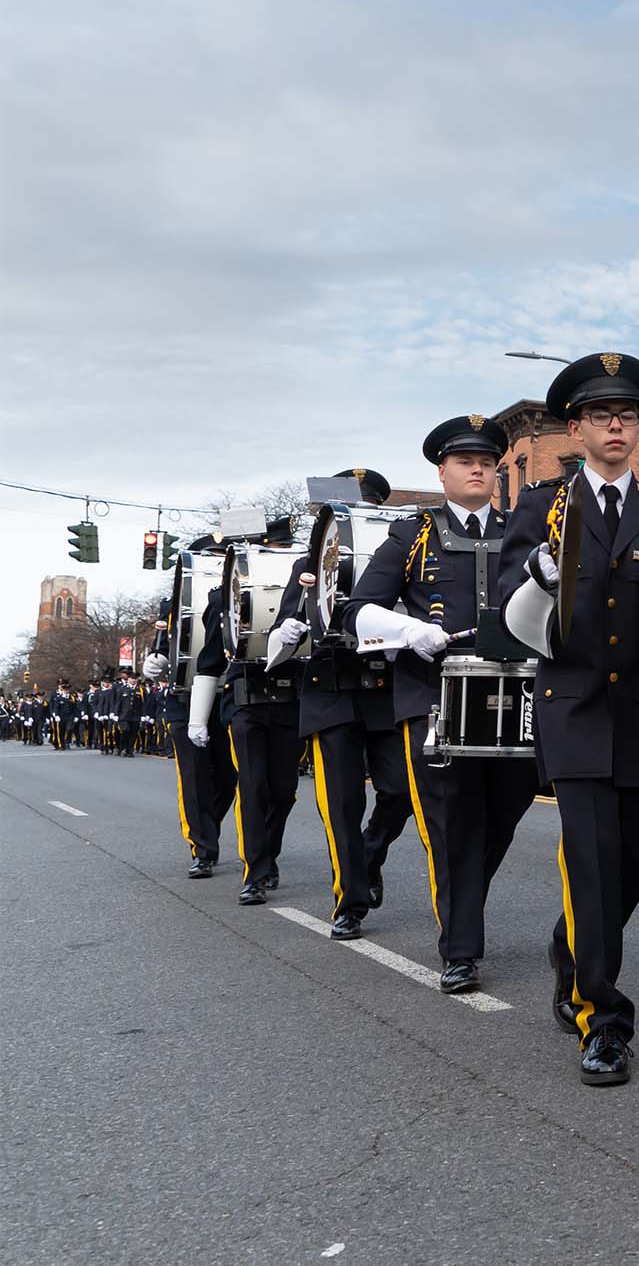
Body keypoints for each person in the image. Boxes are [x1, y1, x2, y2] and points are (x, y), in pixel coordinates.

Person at [499, 352, 639, 1087]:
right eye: (600, 415)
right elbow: (505, 610)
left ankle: (572, 948)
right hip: (577, 709)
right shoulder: (542, 506)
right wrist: (535, 576)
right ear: (578, 428)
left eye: (628, 415)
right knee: (590, 862)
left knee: (633, 863)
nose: (616, 425)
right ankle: (603, 1018)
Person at [345, 416, 542, 993]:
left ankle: (462, 902)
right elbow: (358, 609)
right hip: (434, 696)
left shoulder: (521, 531)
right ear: (443, 471)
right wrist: (410, 631)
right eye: (465, 461)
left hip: (516, 696)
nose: (478, 468)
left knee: (505, 812)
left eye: (487, 461)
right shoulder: (412, 533)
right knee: (452, 824)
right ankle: (460, 949)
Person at [276, 468, 418, 940]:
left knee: (400, 791)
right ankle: (350, 900)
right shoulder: (310, 563)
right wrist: (288, 635)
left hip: (382, 687)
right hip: (330, 689)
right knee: (341, 805)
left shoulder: (402, 553)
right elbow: (277, 634)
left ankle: (370, 853)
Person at [194, 527, 307, 906]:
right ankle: (255, 871)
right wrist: (198, 717)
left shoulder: (305, 585)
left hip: (290, 700)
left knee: (284, 791)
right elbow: (211, 658)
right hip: (246, 700)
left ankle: (268, 853)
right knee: (254, 786)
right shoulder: (223, 594)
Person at [145, 587, 236, 878]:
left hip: (223, 697)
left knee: (227, 777)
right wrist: (155, 659)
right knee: (195, 778)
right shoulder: (173, 604)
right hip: (183, 701)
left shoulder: (230, 595)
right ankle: (202, 849)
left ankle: (208, 827)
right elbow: (164, 645)